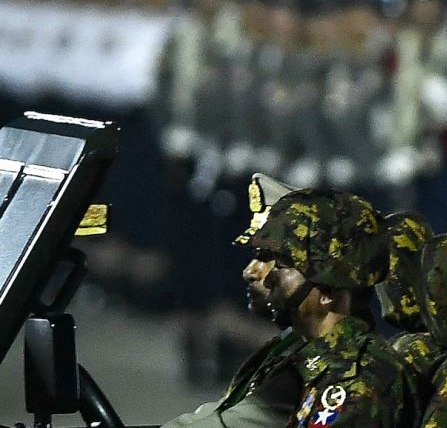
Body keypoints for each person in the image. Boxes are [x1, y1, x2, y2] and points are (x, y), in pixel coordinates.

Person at [164, 179, 421, 428]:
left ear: (328, 291)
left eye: (282, 264)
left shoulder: (357, 382)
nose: (252, 272)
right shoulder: (293, 351)